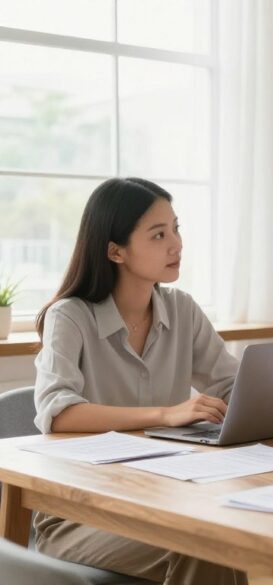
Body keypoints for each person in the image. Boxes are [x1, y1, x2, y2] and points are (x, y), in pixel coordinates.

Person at [33, 178, 247, 585]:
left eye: (176, 228)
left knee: (223, 537)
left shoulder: (181, 309)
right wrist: (166, 414)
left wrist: (268, 404)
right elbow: (58, 413)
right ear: (115, 250)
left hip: (162, 499)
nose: (176, 244)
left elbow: (232, 384)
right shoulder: (70, 316)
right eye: (159, 234)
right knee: (205, 544)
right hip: (78, 513)